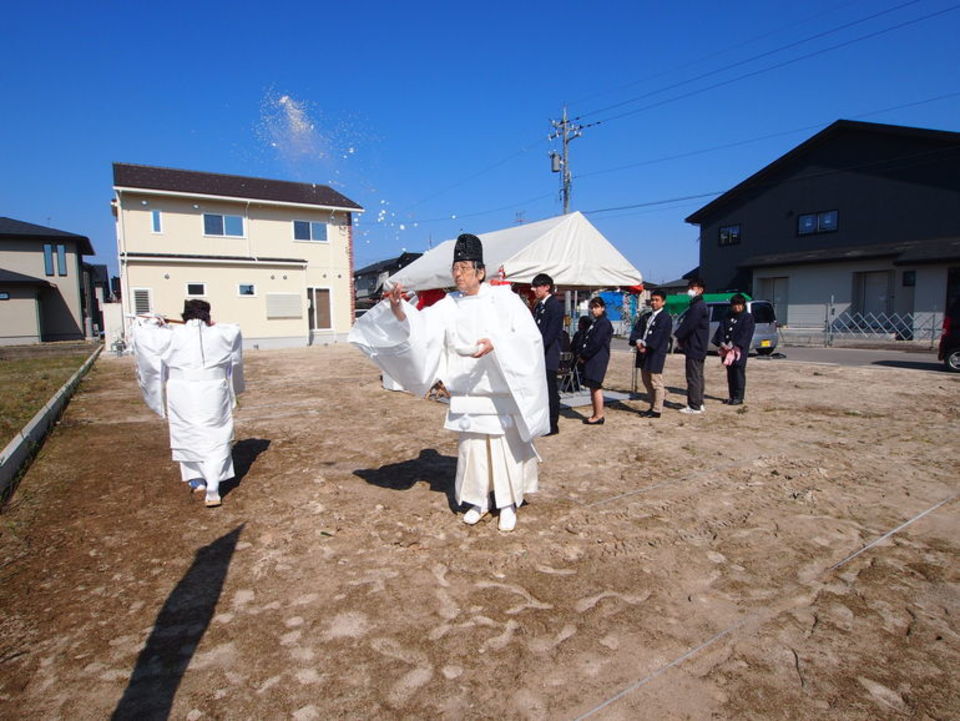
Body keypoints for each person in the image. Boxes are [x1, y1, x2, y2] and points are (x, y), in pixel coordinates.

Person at [348, 233, 549, 532]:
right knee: (472, 450)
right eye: (455, 268)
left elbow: (528, 337)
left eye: (465, 267)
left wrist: (497, 344)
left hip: (499, 392)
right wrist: (398, 309)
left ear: (480, 271)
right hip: (468, 393)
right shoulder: (448, 304)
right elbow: (421, 328)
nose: (458, 273)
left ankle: (507, 503)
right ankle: (478, 501)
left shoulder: (504, 299)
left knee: (503, 448)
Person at [131, 299, 245, 508]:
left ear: (185, 316)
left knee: (188, 432)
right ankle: (213, 485)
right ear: (208, 316)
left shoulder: (172, 334)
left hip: (182, 391)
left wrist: (156, 322)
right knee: (215, 434)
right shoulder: (223, 333)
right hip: (213, 390)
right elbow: (234, 334)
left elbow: (144, 331)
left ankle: (198, 480)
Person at [628, 290, 673, 418]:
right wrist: (637, 341)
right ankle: (652, 405)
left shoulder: (665, 318)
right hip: (643, 352)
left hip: (655, 353)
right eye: (652, 300)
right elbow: (636, 330)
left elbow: (659, 336)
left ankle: (657, 409)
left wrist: (646, 345)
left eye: (657, 300)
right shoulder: (646, 316)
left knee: (655, 381)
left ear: (663, 302)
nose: (653, 302)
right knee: (646, 380)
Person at [531, 273, 564, 435]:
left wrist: (537, 348)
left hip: (549, 354)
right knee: (540, 390)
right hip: (537, 354)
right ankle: (542, 422)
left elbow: (550, 334)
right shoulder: (539, 306)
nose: (534, 289)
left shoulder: (555, 306)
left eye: (537, 286)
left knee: (551, 390)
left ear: (546, 287)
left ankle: (552, 424)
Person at [673, 278, 709, 414]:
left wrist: (678, 336)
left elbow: (689, 325)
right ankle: (699, 403)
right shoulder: (698, 305)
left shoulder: (698, 306)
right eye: (690, 287)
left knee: (693, 375)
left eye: (693, 288)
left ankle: (694, 405)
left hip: (695, 345)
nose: (690, 290)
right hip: (699, 345)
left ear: (700, 290)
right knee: (698, 375)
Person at [712, 293, 755, 405]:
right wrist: (722, 343)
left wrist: (735, 345)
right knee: (730, 373)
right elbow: (721, 329)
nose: (737, 307)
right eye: (735, 305)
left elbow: (745, 334)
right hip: (726, 350)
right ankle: (731, 396)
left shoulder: (747, 317)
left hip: (738, 351)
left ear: (743, 305)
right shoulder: (727, 316)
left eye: (739, 305)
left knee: (738, 372)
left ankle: (739, 397)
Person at [577, 296, 613, 425]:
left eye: (596, 307)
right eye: (592, 307)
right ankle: (596, 413)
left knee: (596, 386)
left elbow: (596, 343)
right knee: (592, 387)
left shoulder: (604, 323)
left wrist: (585, 355)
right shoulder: (596, 322)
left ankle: (599, 415)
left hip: (597, 358)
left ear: (602, 308)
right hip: (592, 358)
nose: (593, 310)